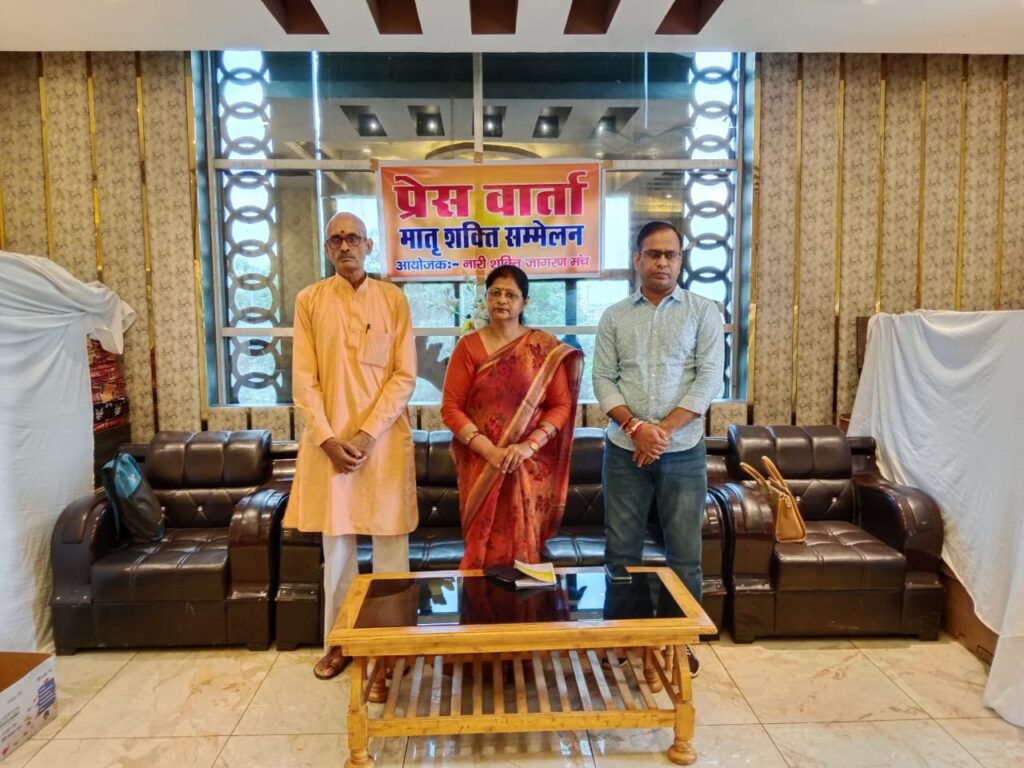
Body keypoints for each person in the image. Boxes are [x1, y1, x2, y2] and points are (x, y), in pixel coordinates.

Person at [284, 212, 417, 680]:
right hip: (331, 448)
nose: (345, 246)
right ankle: (340, 642)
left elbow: (404, 377)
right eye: (336, 240)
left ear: (368, 245)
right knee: (337, 551)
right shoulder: (310, 301)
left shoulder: (393, 299)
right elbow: (304, 380)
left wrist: (365, 434)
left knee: (390, 548)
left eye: (353, 238)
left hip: (383, 444)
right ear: (327, 248)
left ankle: (392, 645)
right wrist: (327, 439)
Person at [592, 220, 724, 677]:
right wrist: (635, 428)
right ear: (637, 259)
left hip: (683, 452)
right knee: (620, 551)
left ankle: (678, 641)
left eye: (671, 254)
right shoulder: (614, 316)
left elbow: (708, 380)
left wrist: (659, 433)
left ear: (681, 260)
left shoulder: (704, 312)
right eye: (653, 254)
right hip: (623, 451)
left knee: (684, 554)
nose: (662, 262)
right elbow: (602, 379)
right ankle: (623, 638)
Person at [441, 265, 582, 568]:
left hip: (528, 464)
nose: (502, 300)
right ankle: (479, 600)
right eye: (495, 293)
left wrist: (527, 446)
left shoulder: (542, 348)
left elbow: (561, 405)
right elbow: (451, 409)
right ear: (486, 299)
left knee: (523, 555)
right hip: (482, 462)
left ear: (524, 302)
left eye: (510, 294)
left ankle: (526, 600)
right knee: (483, 549)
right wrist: (490, 451)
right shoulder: (468, 348)